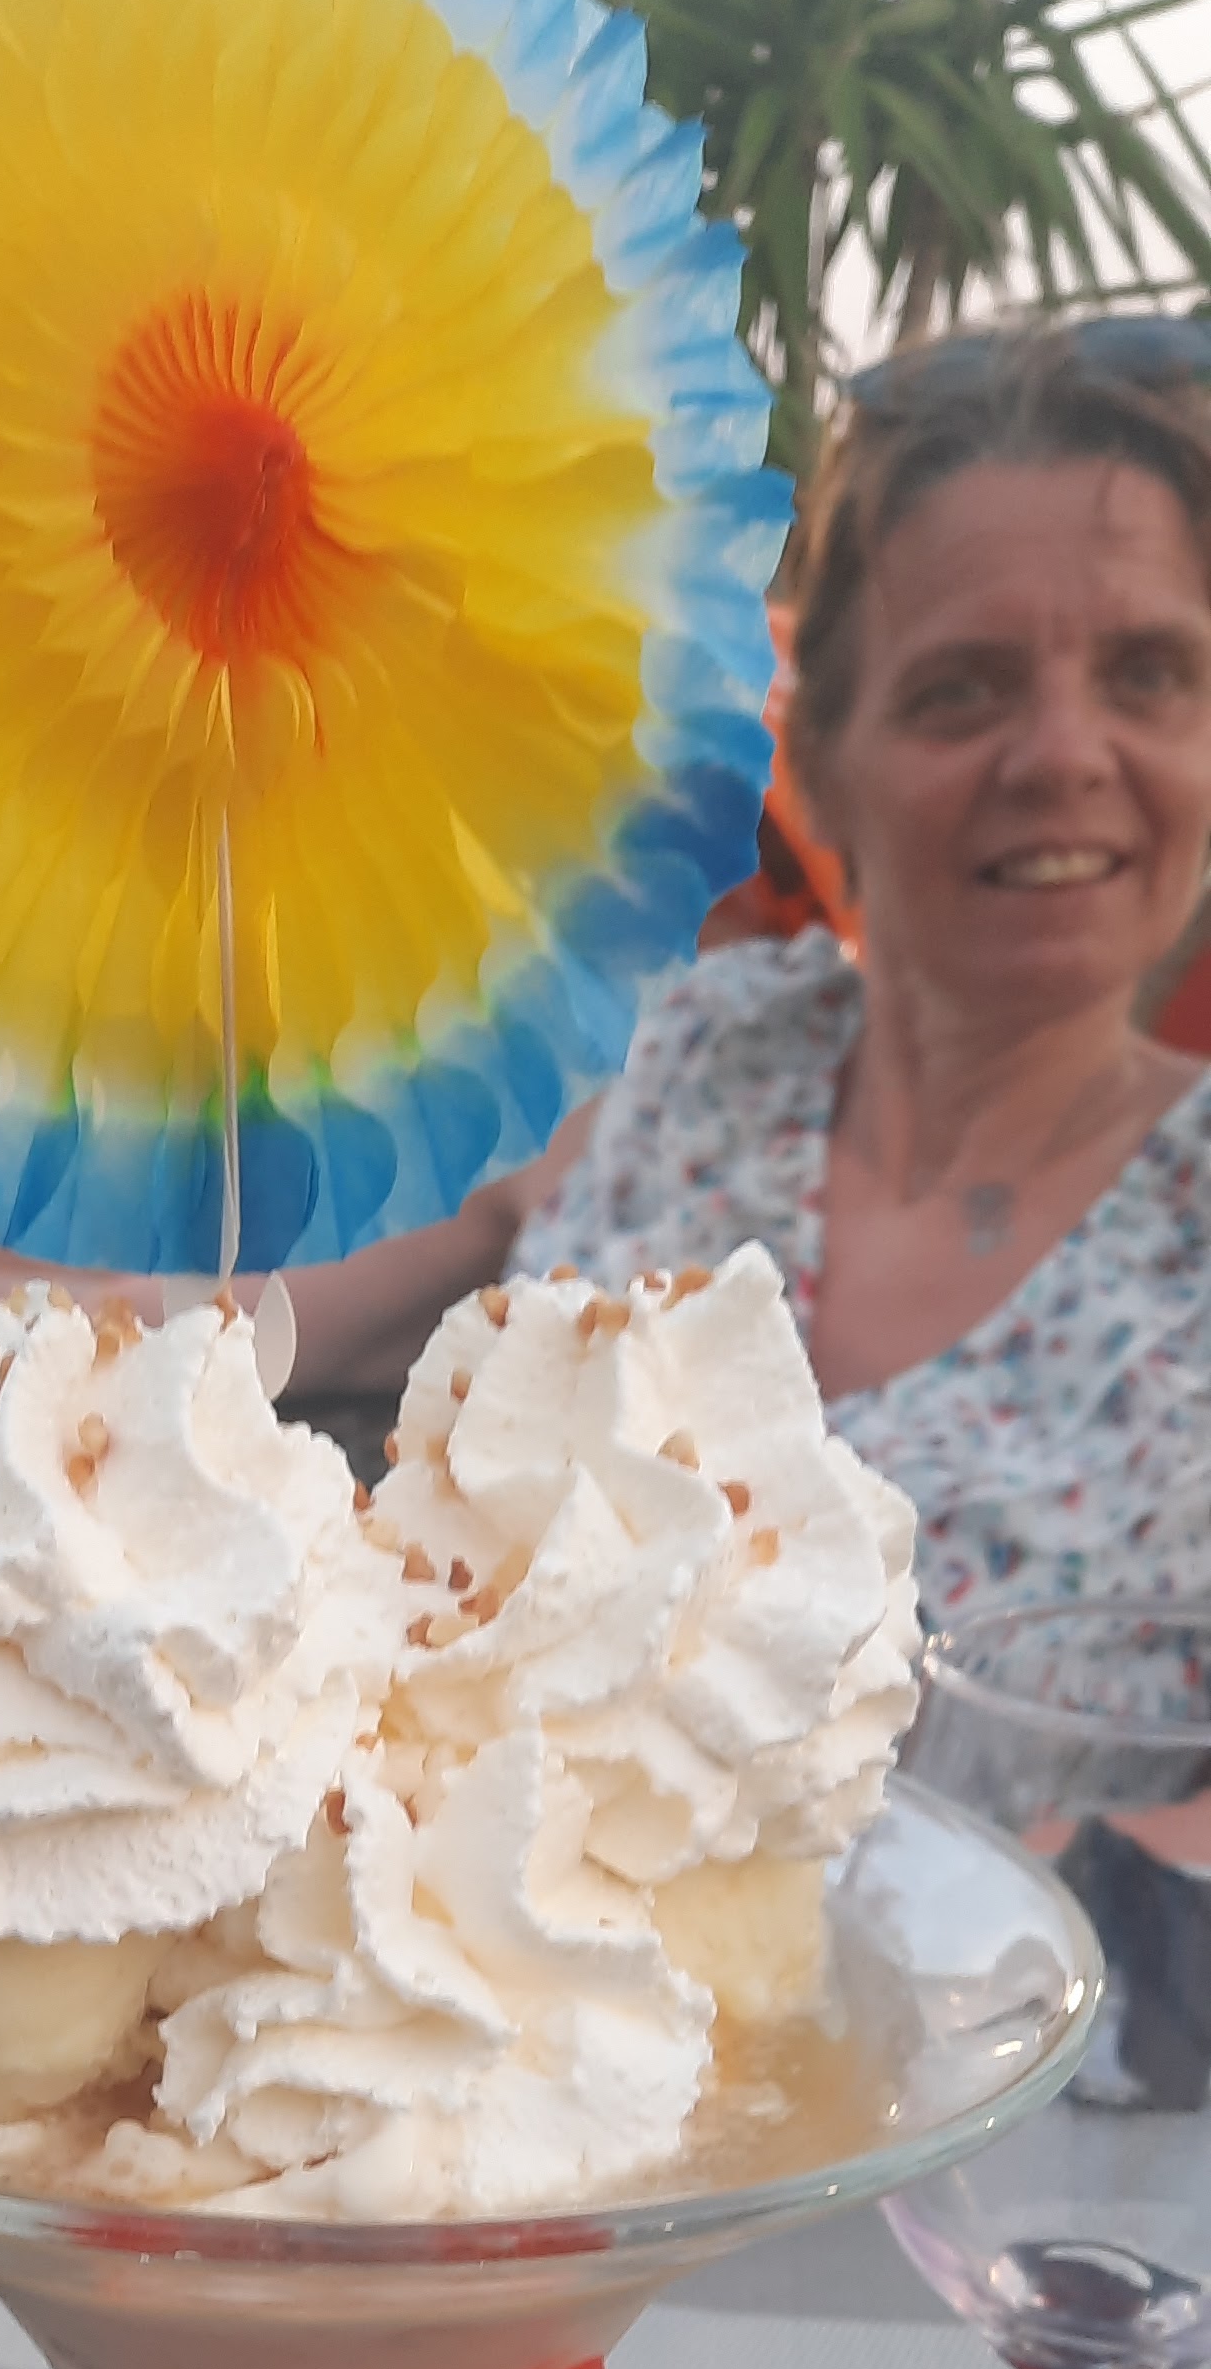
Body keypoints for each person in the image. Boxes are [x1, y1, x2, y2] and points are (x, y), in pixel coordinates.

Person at [288, 322, 1211, 1616]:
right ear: (821, 763)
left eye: (1150, 674)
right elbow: (219, 1329)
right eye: (963, 688)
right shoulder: (679, 1062)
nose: (1065, 753)